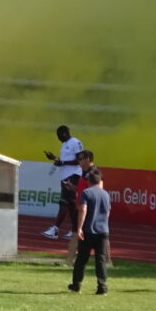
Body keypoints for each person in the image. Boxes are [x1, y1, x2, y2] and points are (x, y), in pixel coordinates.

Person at [68, 166, 111, 295]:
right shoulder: (106, 194)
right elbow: (107, 212)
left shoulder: (86, 193)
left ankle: (76, 285)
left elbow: (83, 210)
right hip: (103, 231)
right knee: (101, 259)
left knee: (81, 259)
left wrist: (79, 227)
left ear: (89, 181)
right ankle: (102, 286)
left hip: (89, 230)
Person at [42, 125, 85, 240]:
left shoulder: (75, 143)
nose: (58, 138)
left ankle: (55, 229)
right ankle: (75, 231)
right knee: (71, 205)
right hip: (65, 176)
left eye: (59, 135)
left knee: (63, 202)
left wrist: (62, 162)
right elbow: (63, 162)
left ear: (64, 133)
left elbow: (79, 160)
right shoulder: (64, 145)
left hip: (73, 176)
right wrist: (54, 159)